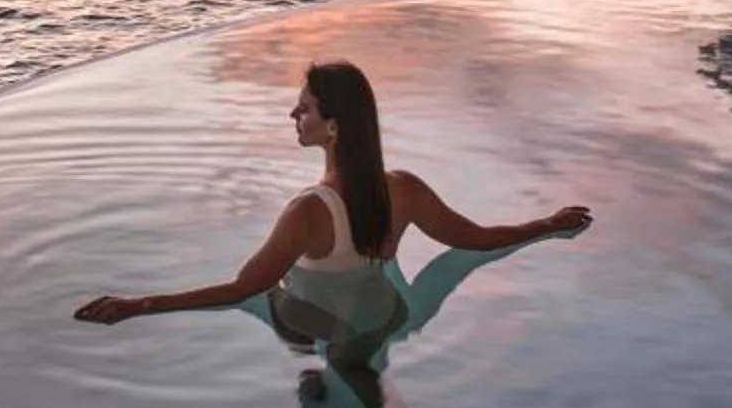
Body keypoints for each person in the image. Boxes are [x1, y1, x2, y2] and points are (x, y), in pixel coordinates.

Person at [71, 60, 592, 327]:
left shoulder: (306, 213)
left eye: (304, 109)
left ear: (334, 126)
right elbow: (475, 240)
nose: (293, 116)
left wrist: (140, 304)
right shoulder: (404, 190)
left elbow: (239, 289)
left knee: (267, 307)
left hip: (320, 323)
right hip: (391, 313)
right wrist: (547, 223)